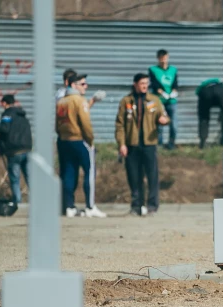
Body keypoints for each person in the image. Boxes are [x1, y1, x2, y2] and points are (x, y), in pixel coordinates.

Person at [115, 73, 170, 216]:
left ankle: (152, 206)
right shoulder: (126, 101)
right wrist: (122, 144)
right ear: (135, 84)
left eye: (146, 83)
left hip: (149, 144)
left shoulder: (154, 100)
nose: (145, 86)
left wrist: (164, 120)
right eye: (142, 83)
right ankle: (136, 205)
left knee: (152, 175)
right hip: (132, 144)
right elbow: (120, 125)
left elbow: (163, 115)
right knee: (134, 176)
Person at [56, 73, 107, 218]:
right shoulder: (79, 101)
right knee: (89, 172)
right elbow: (86, 124)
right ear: (73, 85)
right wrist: (90, 141)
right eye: (83, 84)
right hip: (79, 140)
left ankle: (69, 206)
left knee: (68, 173)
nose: (86, 86)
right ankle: (90, 206)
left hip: (64, 140)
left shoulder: (61, 102)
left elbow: (56, 124)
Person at [0, 95, 32, 203]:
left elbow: (5, 129)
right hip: (26, 149)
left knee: (15, 179)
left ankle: (17, 202)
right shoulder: (22, 115)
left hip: (14, 151)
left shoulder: (7, 115)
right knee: (29, 177)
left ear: (4, 103)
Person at [149, 49, 178, 150]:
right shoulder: (153, 70)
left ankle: (171, 143)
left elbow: (175, 83)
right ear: (158, 58)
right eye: (161, 58)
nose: (163, 60)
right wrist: (162, 93)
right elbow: (154, 83)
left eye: (165, 58)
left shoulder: (173, 70)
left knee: (173, 123)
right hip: (159, 100)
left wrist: (174, 92)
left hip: (171, 100)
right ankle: (159, 143)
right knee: (159, 122)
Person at [196, 78, 223, 149]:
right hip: (219, 90)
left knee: (203, 117)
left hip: (205, 92)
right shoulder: (220, 85)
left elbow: (198, 94)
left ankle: (203, 142)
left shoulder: (201, 88)